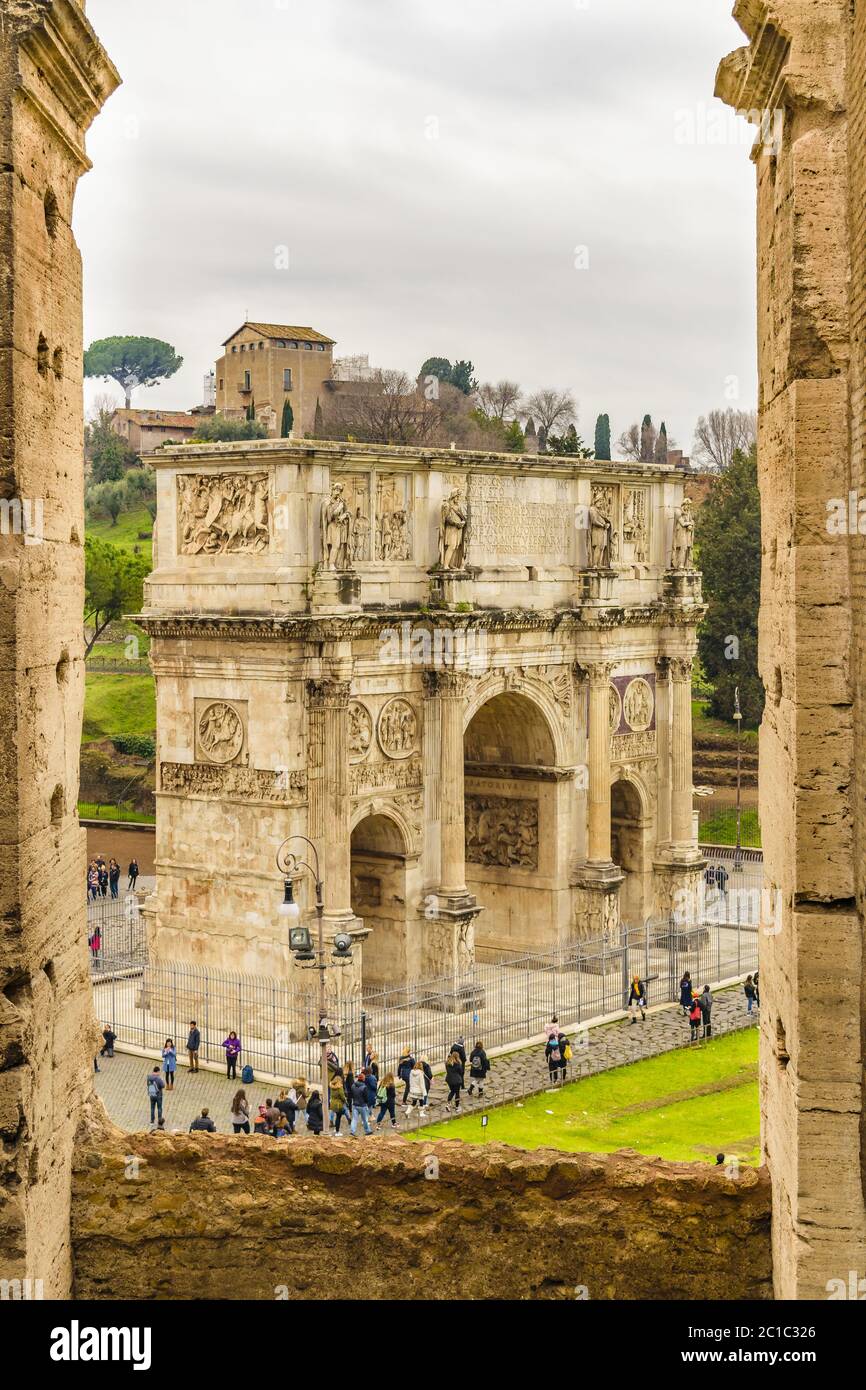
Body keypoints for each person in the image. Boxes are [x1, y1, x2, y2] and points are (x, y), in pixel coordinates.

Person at [350, 1071, 373, 1135]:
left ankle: (352, 1131)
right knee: (365, 1120)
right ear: (363, 1079)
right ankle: (367, 1131)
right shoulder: (364, 1087)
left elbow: (351, 1095)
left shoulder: (353, 1085)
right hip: (362, 1105)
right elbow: (366, 1098)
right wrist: (366, 1103)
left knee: (354, 1119)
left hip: (355, 1105)